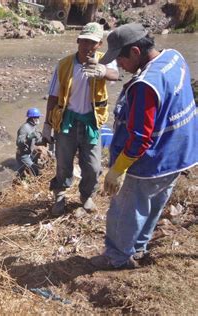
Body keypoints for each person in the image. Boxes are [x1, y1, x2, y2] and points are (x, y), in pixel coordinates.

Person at [91, 23, 197, 269]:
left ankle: (116, 258)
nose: (119, 65)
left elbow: (140, 138)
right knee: (153, 203)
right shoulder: (174, 57)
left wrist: (118, 169)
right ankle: (138, 247)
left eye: (120, 58)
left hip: (150, 161)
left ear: (136, 51)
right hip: (179, 153)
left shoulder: (145, 85)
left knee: (126, 209)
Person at [41, 22, 119, 215]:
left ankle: (86, 195)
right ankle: (59, 195)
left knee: (93, 166)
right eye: (84, 41)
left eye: (92, 43)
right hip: (66, 122)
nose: (87, 47)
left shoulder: (105, 60)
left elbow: (115, 74)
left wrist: (102, 70)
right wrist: (47, 125)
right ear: (77, 41)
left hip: (91, 123)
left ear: (99, 44)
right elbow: (53, 96)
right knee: (63, 163)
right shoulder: (65, 65)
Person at [16, 107, 44, 177]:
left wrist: (46, 140)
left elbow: (37, 141)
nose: (39, 119)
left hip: (29, 153)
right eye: (37, 117)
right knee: (34, 171)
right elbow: (18, 142)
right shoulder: (24, 128)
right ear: (33, 118)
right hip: (23, 155)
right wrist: (28, 137)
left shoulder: (34, 127)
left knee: (35, 167)